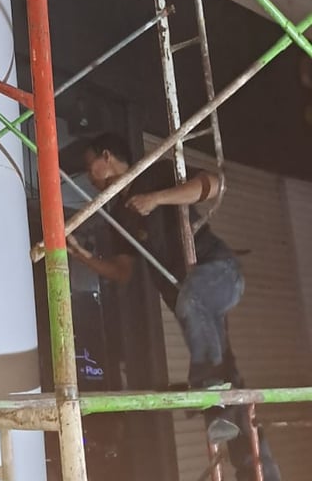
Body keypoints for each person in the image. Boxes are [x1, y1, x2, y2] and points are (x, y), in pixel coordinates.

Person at [66, 133, 281, 480]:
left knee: (205, 350)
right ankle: (258, 468)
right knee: (227, 378)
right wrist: (83, 257)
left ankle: (210, 391)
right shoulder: (120, 214)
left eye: (91, 166)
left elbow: (214, 184)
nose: (90, 178)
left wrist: (157, 198)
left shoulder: (154, 172)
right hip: (190, 301)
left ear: (107, 156)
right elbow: (122, 271)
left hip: (219, 273)